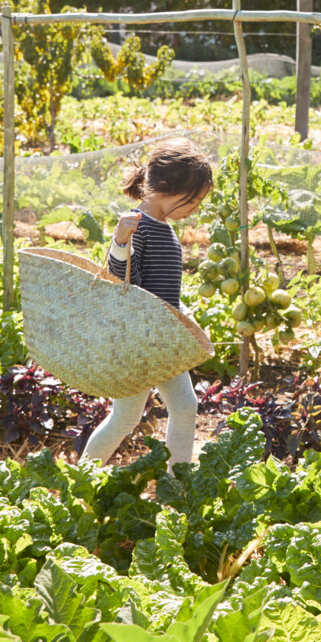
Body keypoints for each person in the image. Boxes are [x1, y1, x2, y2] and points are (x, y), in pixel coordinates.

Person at [80, 139, 214, 471]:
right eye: (193, 200)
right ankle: (81, 478)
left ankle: (177, 484)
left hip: (163, 340)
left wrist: (182, 312)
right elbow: (122, 281)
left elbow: (160, 288)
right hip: (137, 343)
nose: (195, 208)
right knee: (124, 418)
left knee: (185, 406)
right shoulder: (136, 224)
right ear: (167, 187)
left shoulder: (165, 228)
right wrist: (119, 241)